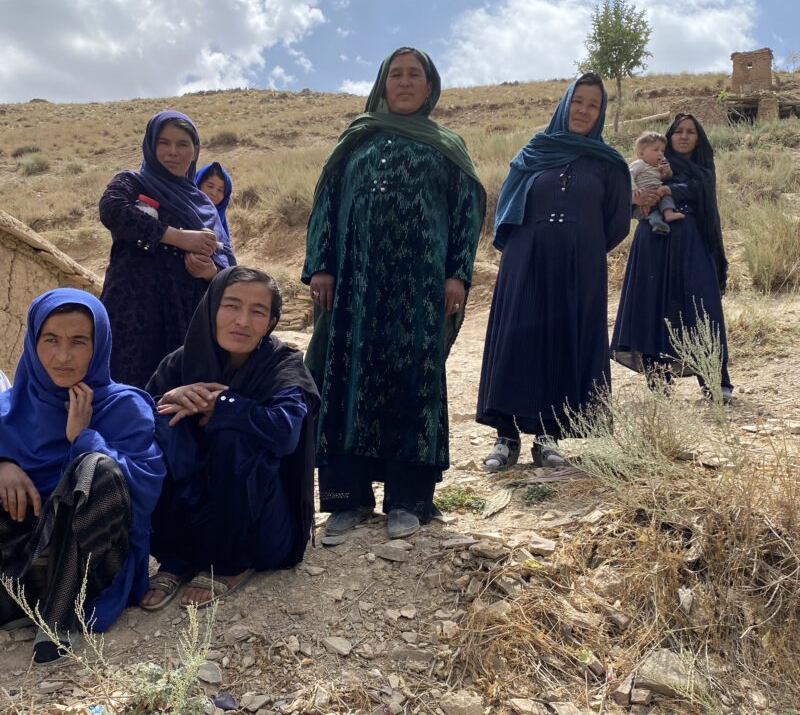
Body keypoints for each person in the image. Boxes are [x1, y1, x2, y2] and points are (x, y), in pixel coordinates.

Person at [302, 47, 485, 540]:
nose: (404, 82)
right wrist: (321, 266)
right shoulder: (355, 140)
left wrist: (457, 274)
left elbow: (467, 214)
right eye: (396, 75)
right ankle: (348, 499)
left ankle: (409, 499)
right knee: (348, 379)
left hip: (420, 288)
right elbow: (326, 204)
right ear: (383, 84)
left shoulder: (447, 145)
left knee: (413, 381)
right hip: (354, 286)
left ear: (430, 86)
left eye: (414, 75)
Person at [476, 72, 631, 472]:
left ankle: (549, 435)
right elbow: (508, 206)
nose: (583, 110)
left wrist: (580, 245)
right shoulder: (533, 152)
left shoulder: (609, 163)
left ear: (601, 112)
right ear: (565, 104)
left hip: (579, 266)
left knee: (563, 341)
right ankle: (505, 435)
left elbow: (616, 222)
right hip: (525, 259)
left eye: (593, 105)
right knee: (516, 338)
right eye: (578, 101)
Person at [140, 266, 319, 609]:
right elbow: (134, 430)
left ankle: (230, 564)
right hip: (193, 519)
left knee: (235, 435)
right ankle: (177, 557)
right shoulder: (179, 364)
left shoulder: (282, 366)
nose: (242, 321)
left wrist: (225, 405)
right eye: (231, 306)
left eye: (258, 312)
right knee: (163, 422)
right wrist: (168, 399)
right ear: (211, 309)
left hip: (261, 529)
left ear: (271, 322)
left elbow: (286, 434)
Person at [0, 290, 164, 664]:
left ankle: (59, 619)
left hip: (94, 567)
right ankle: (25, 601)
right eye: (51, 340)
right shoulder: (9, 409)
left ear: (98, 345)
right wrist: (3, 463)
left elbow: (145, 486)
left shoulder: (124, 406)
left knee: (97, 468)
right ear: (33, 342)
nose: (63, 356)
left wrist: (83, 437)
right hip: (23, 562)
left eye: (78, 342)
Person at [99, 110, 236, 389]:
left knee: (179, 392)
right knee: (129, 387)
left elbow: (228, 264)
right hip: (134, 310)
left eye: (182, 144)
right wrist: (178, 237)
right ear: (151, 145)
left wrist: (211, 272)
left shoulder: (203, 204)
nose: (173, 152)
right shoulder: (132, 182)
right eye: (164, 143)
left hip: (186, 313)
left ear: (195, 150)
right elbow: (112, 210)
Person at [611, 113, 733, 401]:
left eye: (691, 131)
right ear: (669, 136)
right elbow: (626, 195)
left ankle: (715, 381)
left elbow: (701, 190)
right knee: (654, 303)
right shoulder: (649, 162)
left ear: (698, 138)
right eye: (678, 131)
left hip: (692, 239)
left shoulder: (703, 169)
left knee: (701, 304)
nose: (684, 136)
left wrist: (668, 189)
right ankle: (658, 381)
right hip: (654, 239)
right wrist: (639, 197)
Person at [630, 131, 683, 234]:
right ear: (641, 153)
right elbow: (629, 175)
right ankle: (658, 224)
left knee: (667, 197)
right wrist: (634, 189)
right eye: (656, 150)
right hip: (643, 194)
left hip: (657, 193)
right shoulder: (640, 164)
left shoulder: (656, 167)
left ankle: (668, 213)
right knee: (651, 212)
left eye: (662, 151)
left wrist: (667, 172)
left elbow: (664, 179)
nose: (660, 153)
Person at [195, 161, 233, 244]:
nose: (214, 193)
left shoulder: (221, 221)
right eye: (210, 186)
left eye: (220, 190)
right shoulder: (186, 210)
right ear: (198, 184)